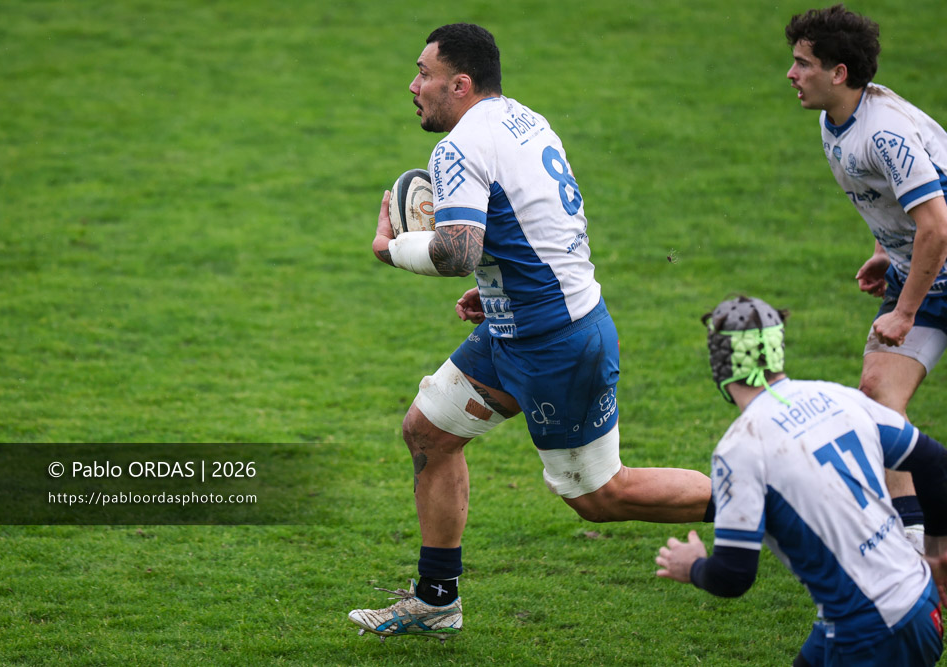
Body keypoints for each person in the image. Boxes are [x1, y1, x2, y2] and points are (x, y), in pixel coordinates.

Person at [348, 22, 713, 642]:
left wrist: (394, 248)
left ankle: (771, 502)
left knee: (600, 496)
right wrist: (497, 290)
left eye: (424, 75)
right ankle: (436, 600)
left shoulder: (458, 146)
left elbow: (459, 249)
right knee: (428, 432)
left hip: (557, 344)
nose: (413, 86)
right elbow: (536, 222)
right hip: (520, 323)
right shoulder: (524, 119)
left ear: (459, 84)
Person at [655, 295, 947, 666]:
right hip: (919, 598)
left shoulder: (740, 448)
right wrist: (937, 550)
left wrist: (692, 566)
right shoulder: (837, 397)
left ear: (719, 365)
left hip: (869, 630)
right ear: (776, 350)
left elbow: (733, 574)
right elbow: (935, 462)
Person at [785, 4, 947, 551]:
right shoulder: (834, 122)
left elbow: (937, 225)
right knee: (878, 398)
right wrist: (883, 248)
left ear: (839, 73)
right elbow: (893, 204)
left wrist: (905, 311)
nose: (791, 75)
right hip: (921, 267)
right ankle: (915, 537)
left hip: (933, 262)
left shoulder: (885, 132)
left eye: (803, 64)